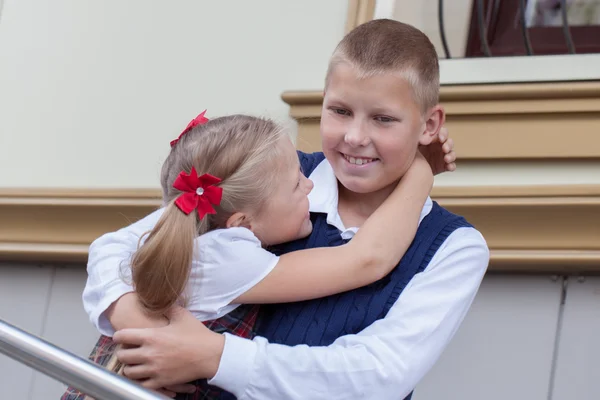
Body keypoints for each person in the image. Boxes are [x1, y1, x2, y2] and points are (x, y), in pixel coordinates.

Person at [92, 19, 489, 400]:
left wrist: (212, 355)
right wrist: (144, 333)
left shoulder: (455, 248)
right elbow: (121, 247)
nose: (354, 136)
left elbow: (378, 376)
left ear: (429, 125)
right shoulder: (271, 171)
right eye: (340, 111)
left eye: (383, 119)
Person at [62, 110, 442, 399]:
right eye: (297, 185)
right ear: (242, 223)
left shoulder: (187, 226)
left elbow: (108, 245)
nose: (311, 184)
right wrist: (421, 170)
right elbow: (366, 259)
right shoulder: (230, 257)